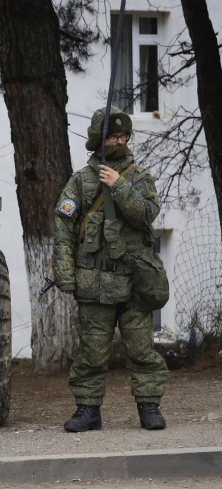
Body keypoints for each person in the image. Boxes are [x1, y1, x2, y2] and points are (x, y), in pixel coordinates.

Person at [53, 106, 168, 433]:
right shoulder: (81, 181)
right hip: (93, 282)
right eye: (113, 136)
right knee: (91, 351)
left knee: (142, 349)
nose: (120, 141)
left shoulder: (139, 177)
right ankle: (87, 410)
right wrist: (64, 272)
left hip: (134, 281)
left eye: (123, 136)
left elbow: (146, 214)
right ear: (98, 140)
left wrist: (118, 185)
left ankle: (149, 407)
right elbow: (63, 225)